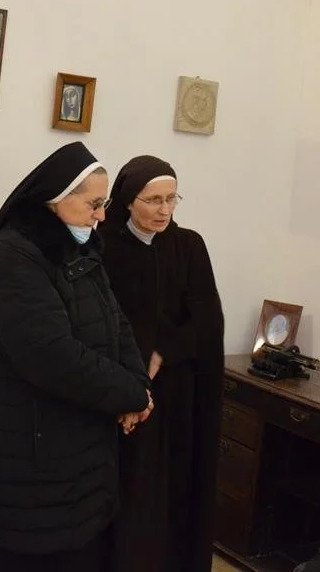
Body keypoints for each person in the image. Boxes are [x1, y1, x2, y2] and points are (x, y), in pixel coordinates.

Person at [0, 141, 154, 572]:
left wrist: (139, 386)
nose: (101, 216)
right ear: (54, 200)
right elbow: (51, 356)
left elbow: (117, 323)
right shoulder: (13, 256)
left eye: (105, 204)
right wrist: (129, 395)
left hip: (80, 453)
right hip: (30, 458)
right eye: (94, 205)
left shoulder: (80, 246)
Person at [100, 155, 225, 572]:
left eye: (172, 199)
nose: (164, 210)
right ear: (127, 200)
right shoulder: (103, 246)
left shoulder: (188, 246)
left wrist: (163, 350)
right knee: (130, 488)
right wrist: (131, 367)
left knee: (173, 487)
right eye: (153, 200)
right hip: (120, 389)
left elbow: (208, 320)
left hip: (175, 389)